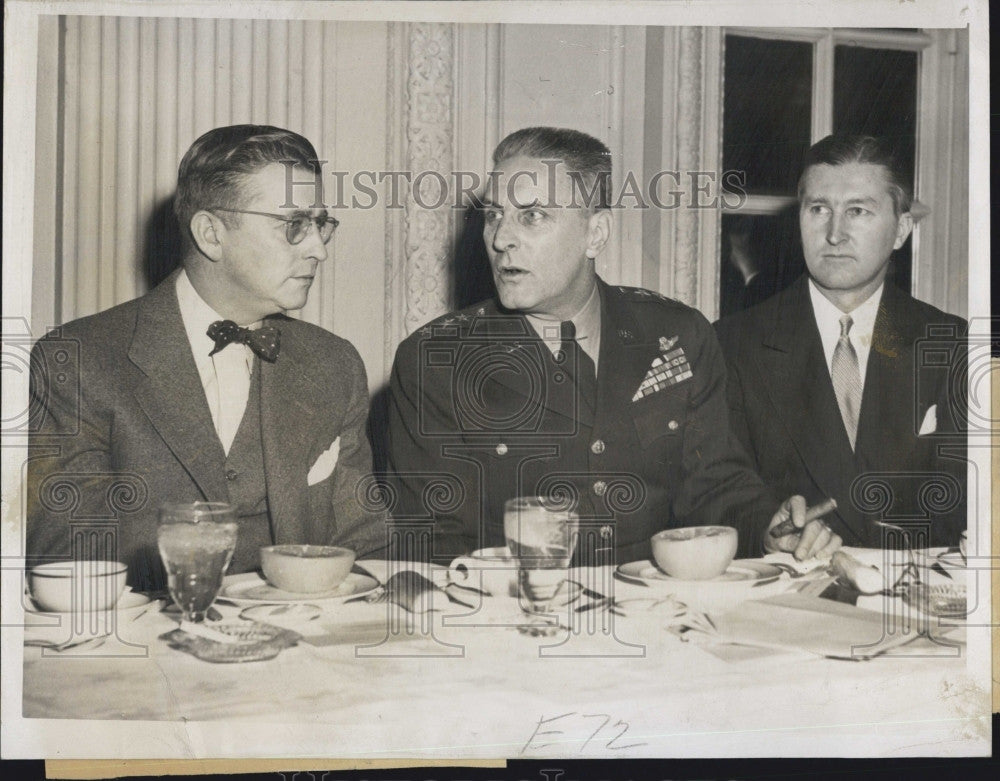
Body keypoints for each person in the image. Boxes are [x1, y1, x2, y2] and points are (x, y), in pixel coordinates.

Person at [386, 126, 839, 567]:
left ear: (595, 233)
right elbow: (434, 543)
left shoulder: (678, 336)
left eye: (532, 216)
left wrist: (769, 527)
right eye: (493, 216)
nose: (501, 239)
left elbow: (714, 487)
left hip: (659, 620)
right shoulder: (435, 361)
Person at [27, 125, 385, 590]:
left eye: (321, 225)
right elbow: (64, 558)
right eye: (294, 225)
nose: (318, 248)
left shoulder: (334, 364)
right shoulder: (77, 361)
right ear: (211, 233)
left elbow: (369, 548)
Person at [715, 134, 967, 548]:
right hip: (791, 596)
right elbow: (719, 490)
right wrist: (767, 528)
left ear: (901, 229)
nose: (835, 234)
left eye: (858, 211)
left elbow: (974, 500)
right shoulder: (732, 344)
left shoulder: (953, 344)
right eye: (819, 209)